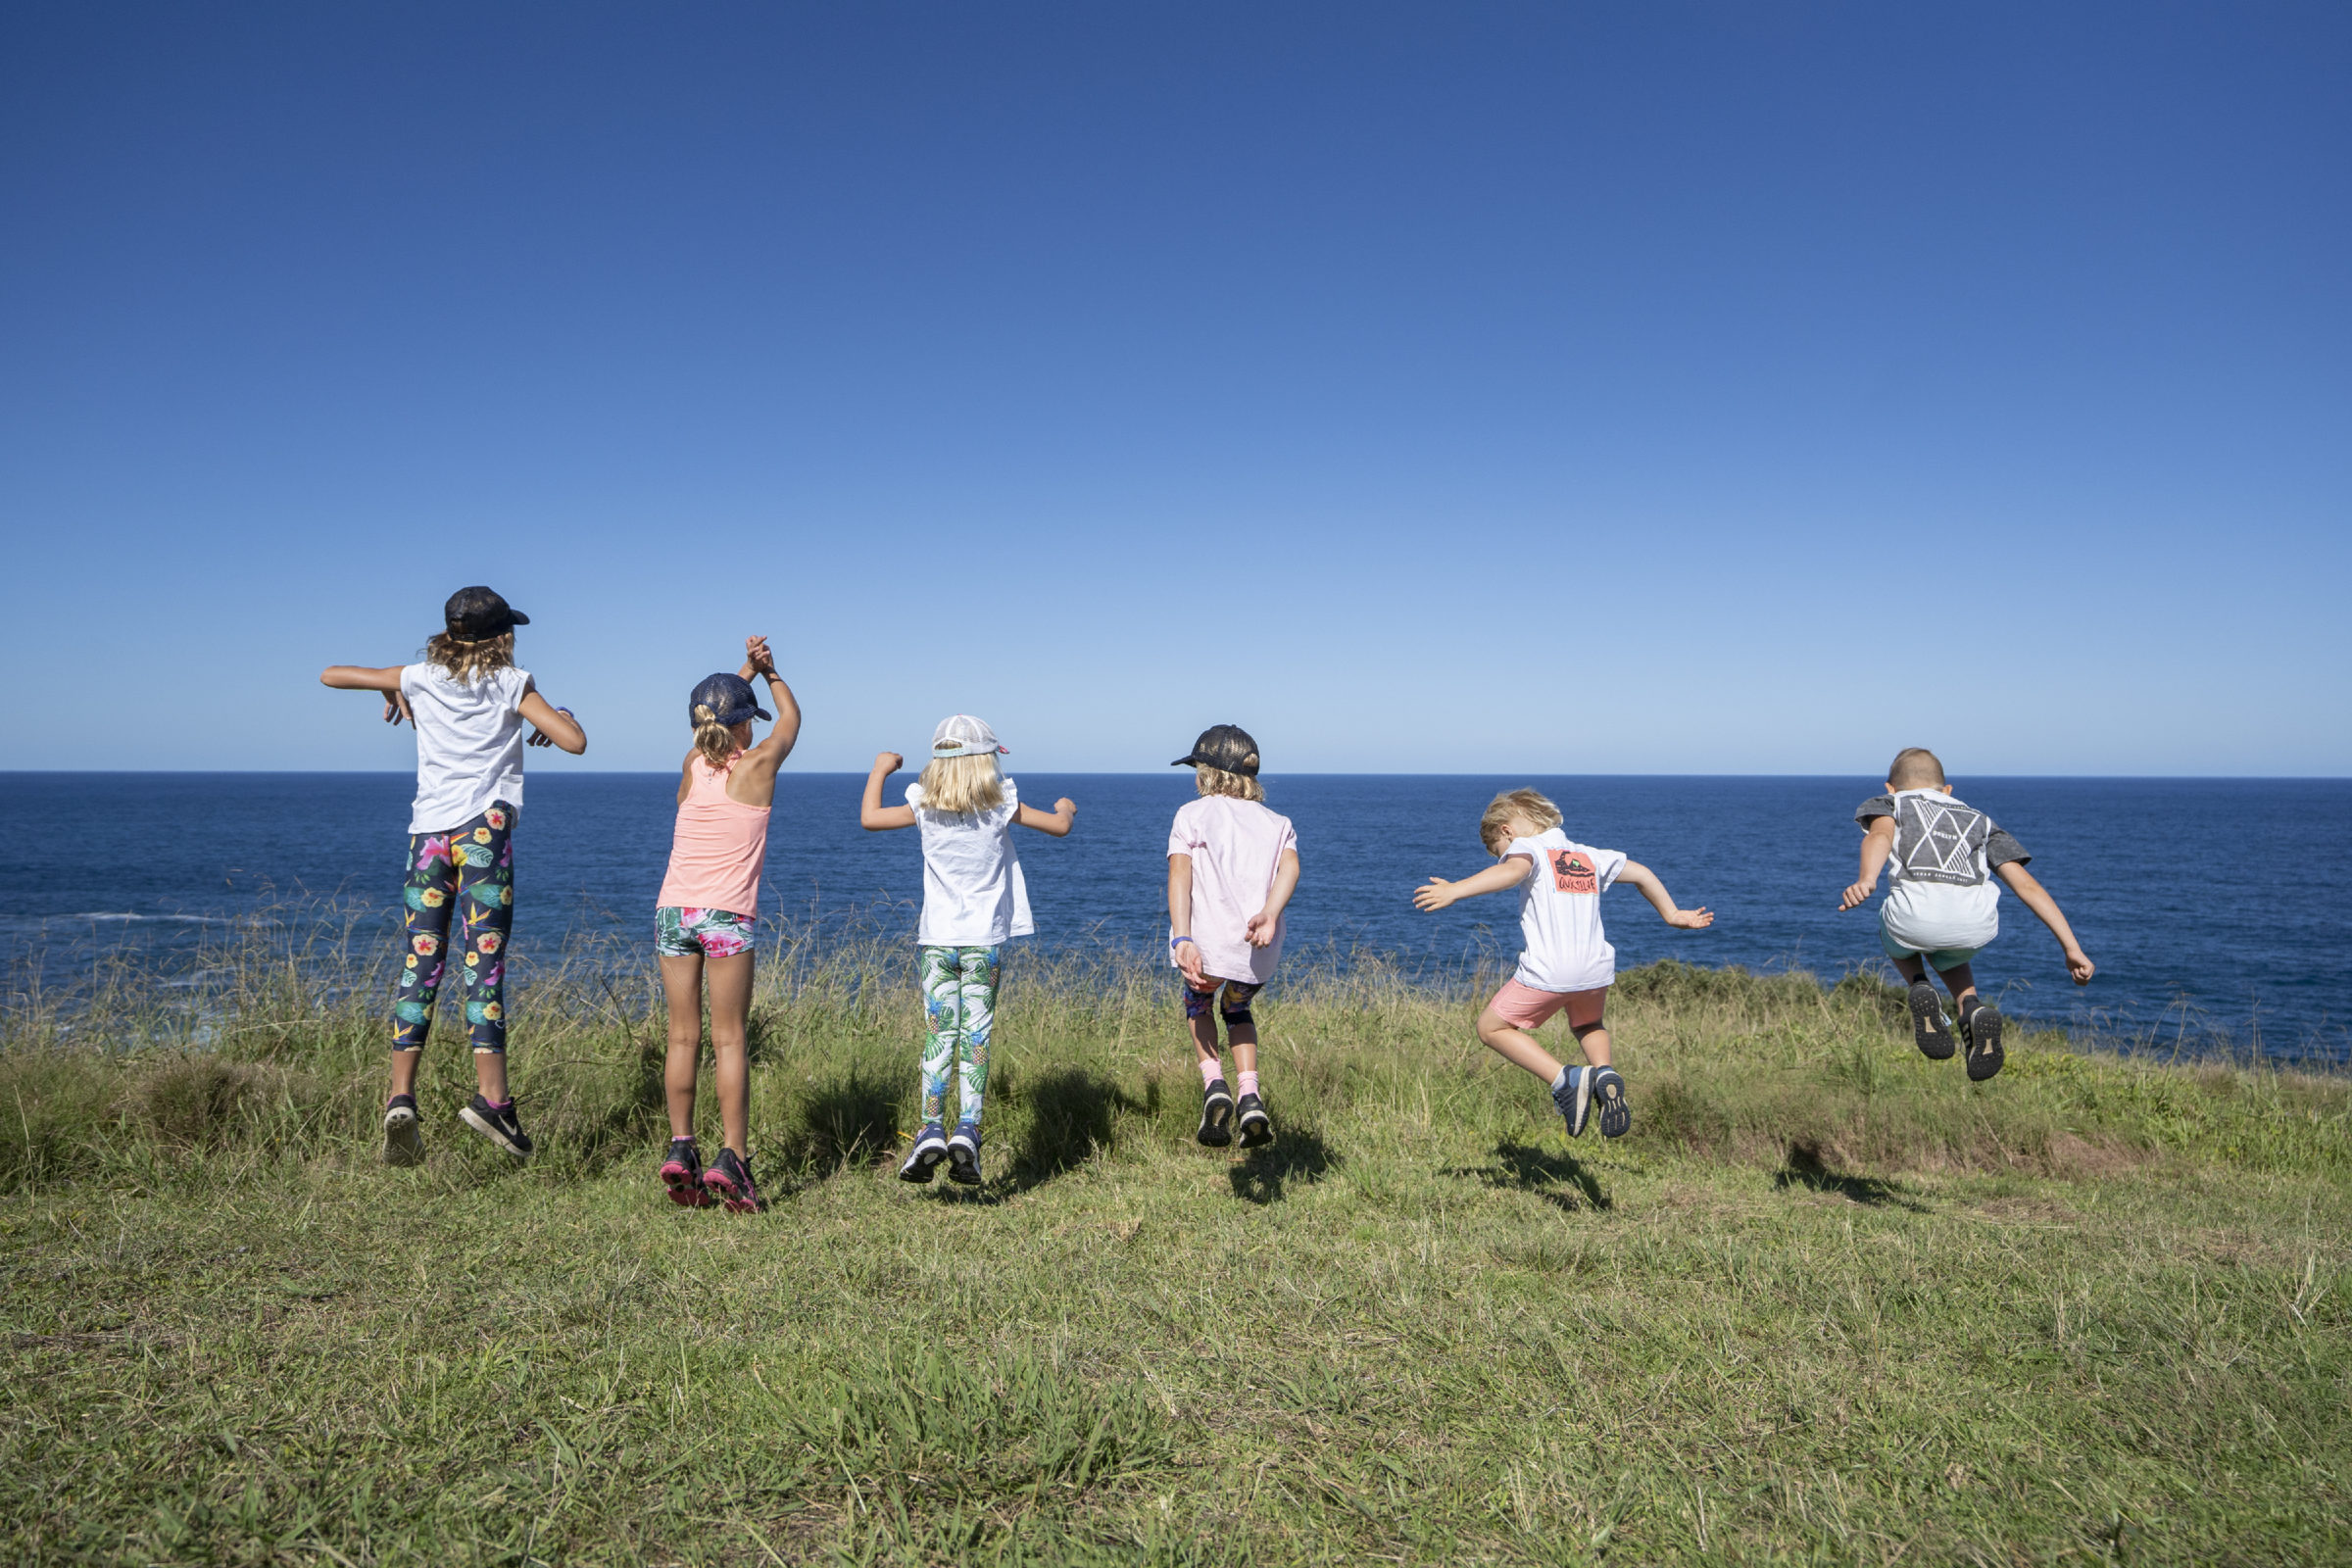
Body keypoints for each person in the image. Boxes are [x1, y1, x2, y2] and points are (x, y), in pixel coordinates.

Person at [319, 586, 586, 1165]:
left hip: (427, 838)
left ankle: (401, 1095)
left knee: (421, 962)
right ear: (502, 636)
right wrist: (559, 715)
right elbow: (575, 743)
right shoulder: (513, 684)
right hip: (482, 834)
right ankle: (493, 1100)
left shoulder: (418, 676)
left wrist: (394, 684)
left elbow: (331, 674)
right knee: (481, 965)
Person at [1412, 788, 1711, 1140]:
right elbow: (1643, 874)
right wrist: (1673, 914)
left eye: (1499, 851)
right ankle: (1604, 1073)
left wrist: (1455, 890)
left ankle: (1565, 1080)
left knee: (1491, 1028)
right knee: (1587, 1024)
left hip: (1550, 971)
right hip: (1595, 969)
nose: (1503, 857)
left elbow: (1511, 873)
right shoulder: (1588, 855)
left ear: (1507, 830)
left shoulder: (1527, 848)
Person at [859, 717, 1075, 1187]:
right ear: (987, 761)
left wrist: (880, 770)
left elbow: (870, 818)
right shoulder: (1000, 805)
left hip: (936, 941)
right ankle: (967, 1130)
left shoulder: (922, 804)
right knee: (976, 1037)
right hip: (984, 942)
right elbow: (1059, 826)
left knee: (939, 1035)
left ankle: (930, 1128)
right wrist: (1067, 806)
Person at [1838, 748, 2094, 1080]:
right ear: (1947, 791)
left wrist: (1867, 879)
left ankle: (1919, 983)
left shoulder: (1891, 803)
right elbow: (2028, 886)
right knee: (1950, 949)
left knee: (1895, 920)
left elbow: (1881, 835)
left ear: (1891, 787)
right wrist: (2072, 948)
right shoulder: (1982, 821)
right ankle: (1969, 1007)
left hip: (1911, 921)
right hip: (1976, 928)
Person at [655, 638, 802, 1213]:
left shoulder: (692, 765)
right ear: (744, 727)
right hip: (725, 916)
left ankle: (680, 1149)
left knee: (682, 1037)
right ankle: (733, 1161)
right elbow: (791, 719)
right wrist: (770, 672)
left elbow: (713, 716)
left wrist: (742, 676)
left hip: (673, 911)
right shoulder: (759, 764)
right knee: (730, 1038)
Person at [1165, 725, 1298, 1150]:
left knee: (1198, 1003)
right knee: (1237, 1011)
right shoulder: (1278, 823)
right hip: (1256, 951)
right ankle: (1250, 1095)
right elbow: (1290, 869)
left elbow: (1179, 876)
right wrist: (1270, 913)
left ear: (1207, 772)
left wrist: (1181, 937)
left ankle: (1214, 1085)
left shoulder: (1191, 814)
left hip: (1204, 948)